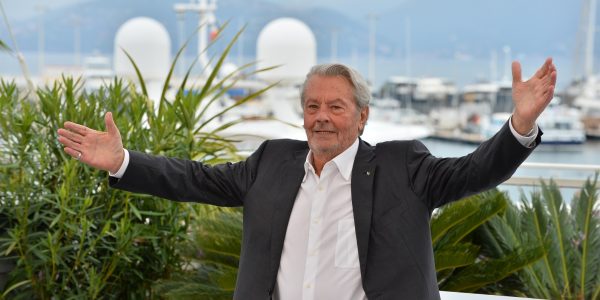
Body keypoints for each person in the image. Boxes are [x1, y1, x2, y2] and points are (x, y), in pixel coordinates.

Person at [57, 59, 556, 300]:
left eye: (335, 107)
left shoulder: (404, 167)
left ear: (362, 117)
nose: (322, 117)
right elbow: (195, 179)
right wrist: (125, 162)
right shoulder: (272, 162)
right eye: (312, 106)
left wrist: (521, 125)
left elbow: (475, 170)